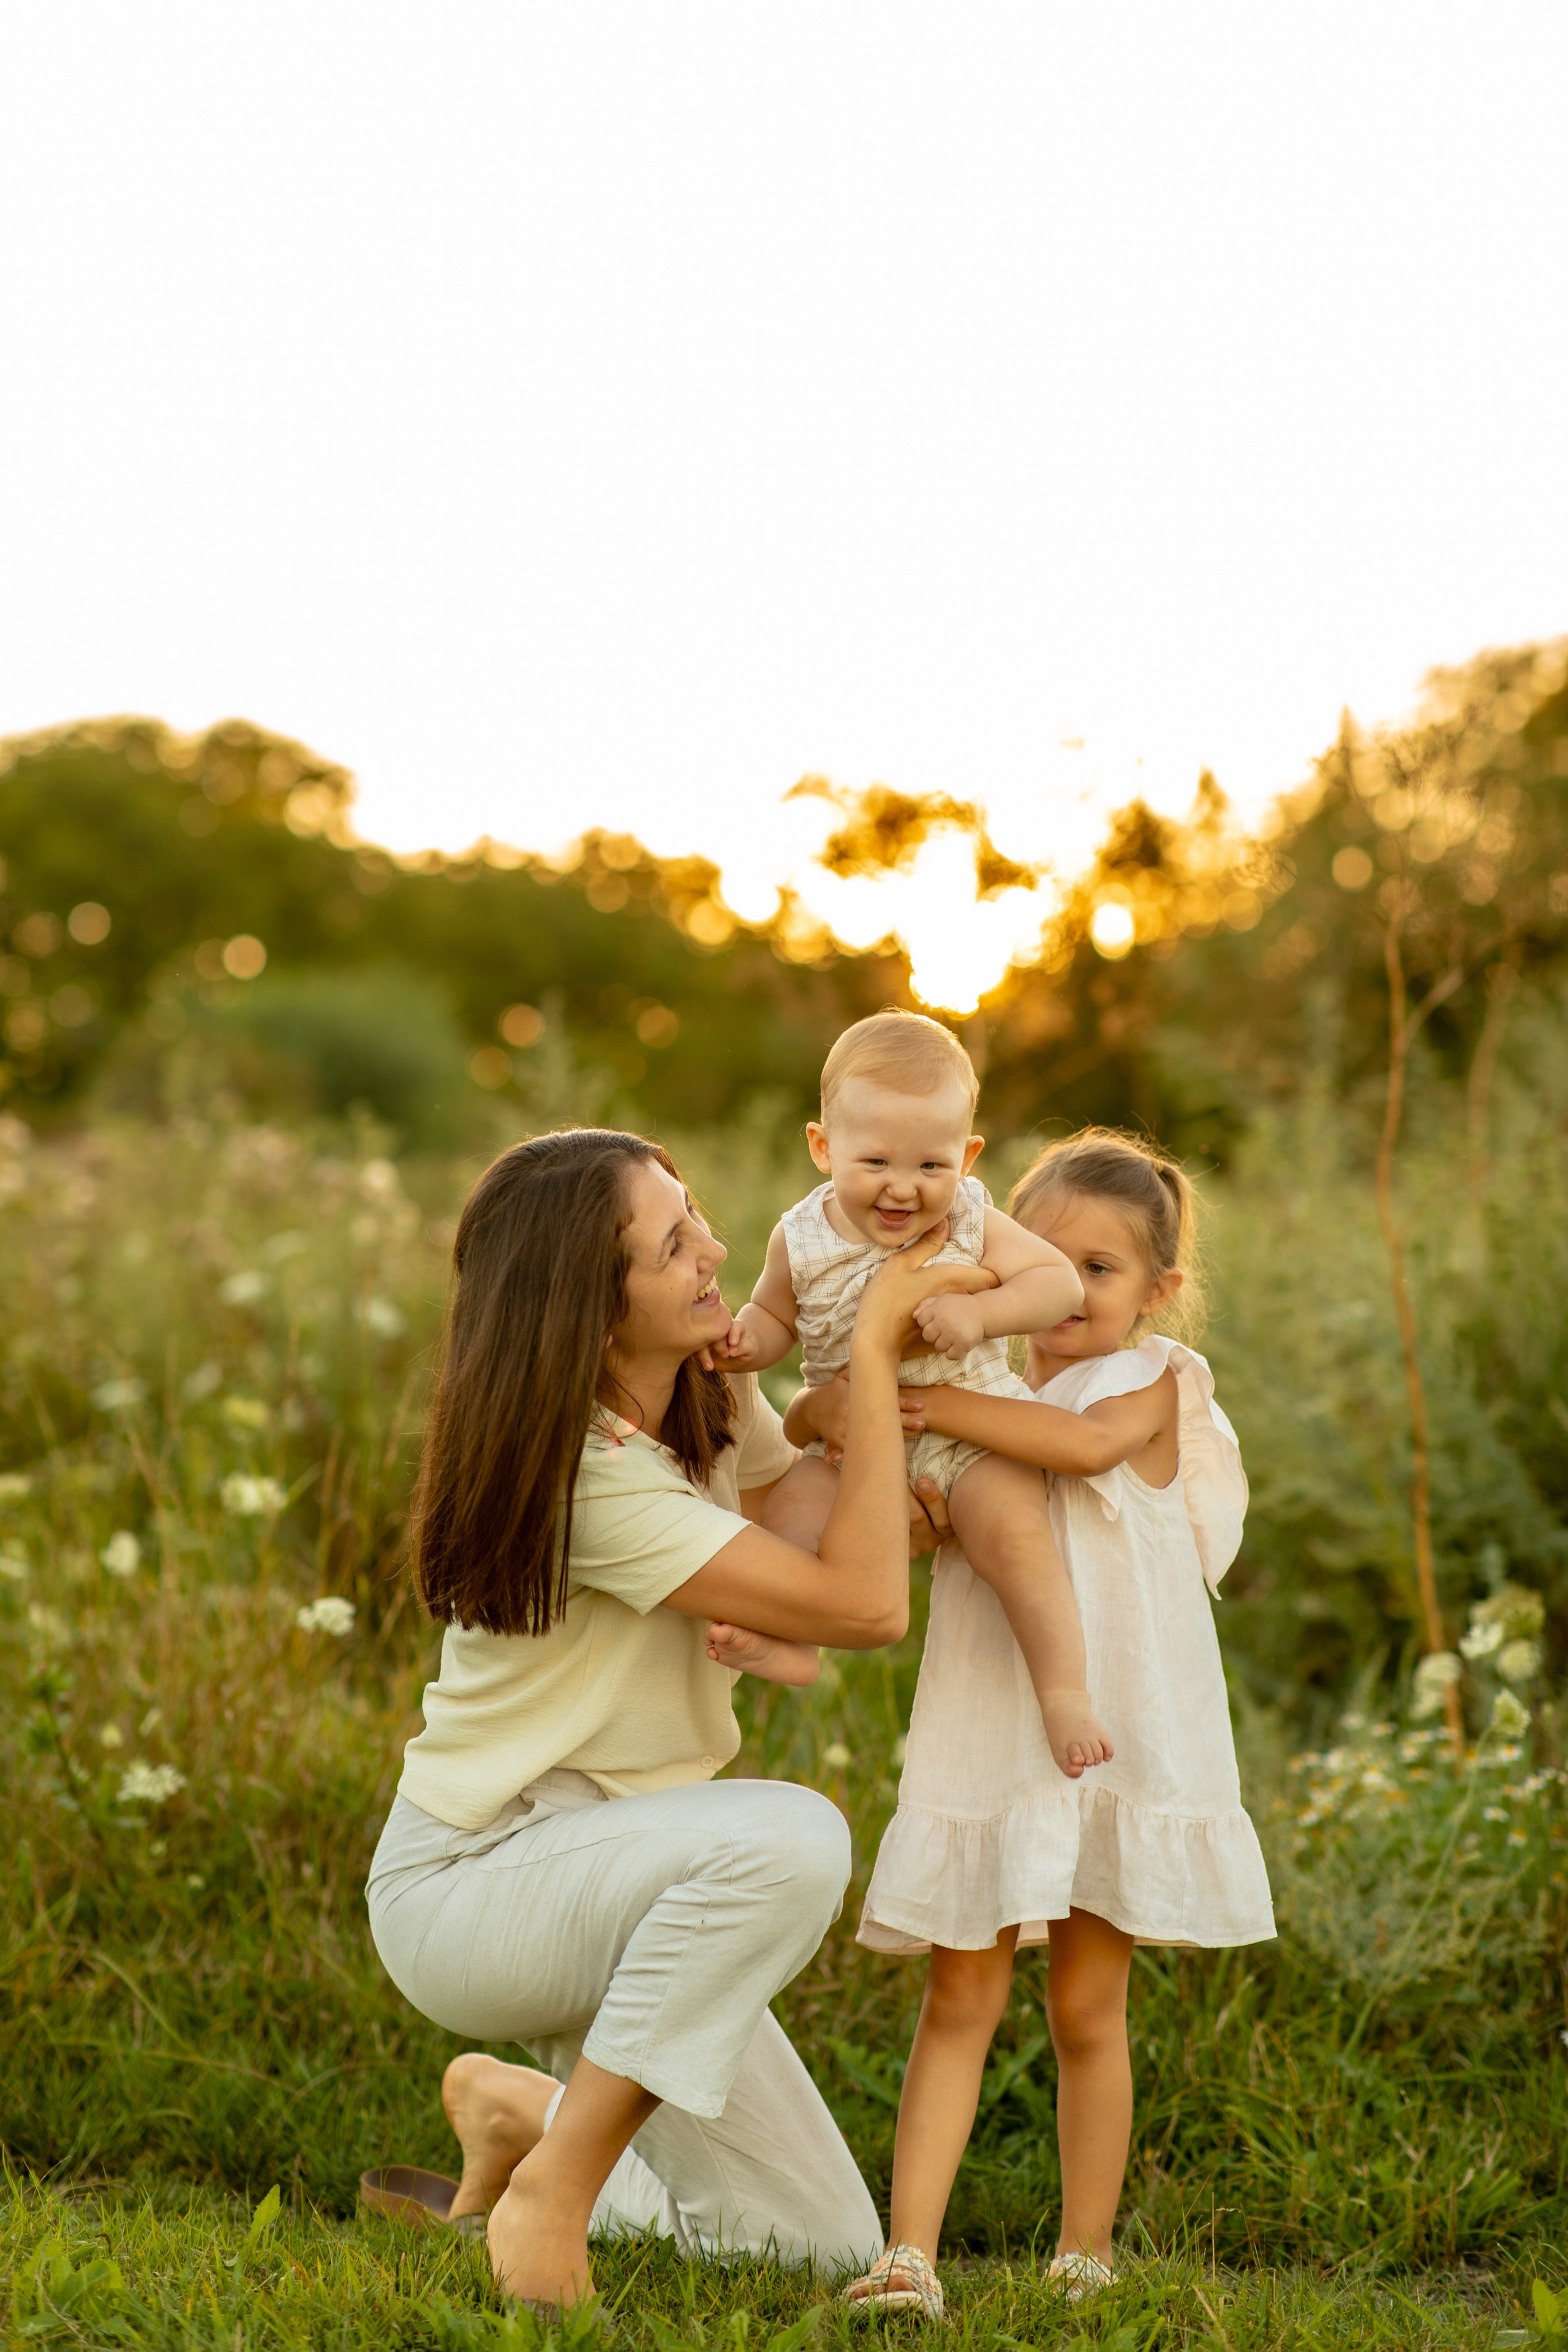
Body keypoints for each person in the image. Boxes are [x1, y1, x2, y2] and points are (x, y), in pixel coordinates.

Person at [364, 1126, 993, 2311]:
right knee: (795, 1839)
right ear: (596, 1316)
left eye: (692, 1211)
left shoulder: (701, 1391)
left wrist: (894, 1475)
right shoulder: (588, 1477)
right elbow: (862, 1607)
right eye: (673, 1245)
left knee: (803, 2245)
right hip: (479, 1885)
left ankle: (524, 2114)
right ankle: (560, 2187)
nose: (716, 1248)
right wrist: (865, 1353)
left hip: (633, 1868)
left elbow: (799, 1513)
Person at [786, 1128, 1276, 2318]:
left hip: (1110, 1726)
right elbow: (827, 1435)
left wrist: (915, 1397)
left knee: (1082, 2005)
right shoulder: (977, 1394)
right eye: (1044, 1260)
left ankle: (1084, 2246)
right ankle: (909, 2253)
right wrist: (864, 1407)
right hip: (992, 1723)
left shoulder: (1148, 1383)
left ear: (1156, 1292)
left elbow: (1077, 1447)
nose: (1065, 1293)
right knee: (959, 1993)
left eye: (1099, 1271)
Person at [713, 1012, 1112, 1778]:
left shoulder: (971, 1218)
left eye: (932, 1165)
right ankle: (791, 1639)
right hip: (854, 1445)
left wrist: (980, 1312)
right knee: (793, 1515)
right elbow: (773, 1315)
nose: (903, 1188)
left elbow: (1056, 1281)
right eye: (875, 1162)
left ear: (967, 1157)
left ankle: (1064, 1692)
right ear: (822, 1148)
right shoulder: (798, 1237)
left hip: (975, 1436)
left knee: (1018, 1542)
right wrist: (747, 1342)